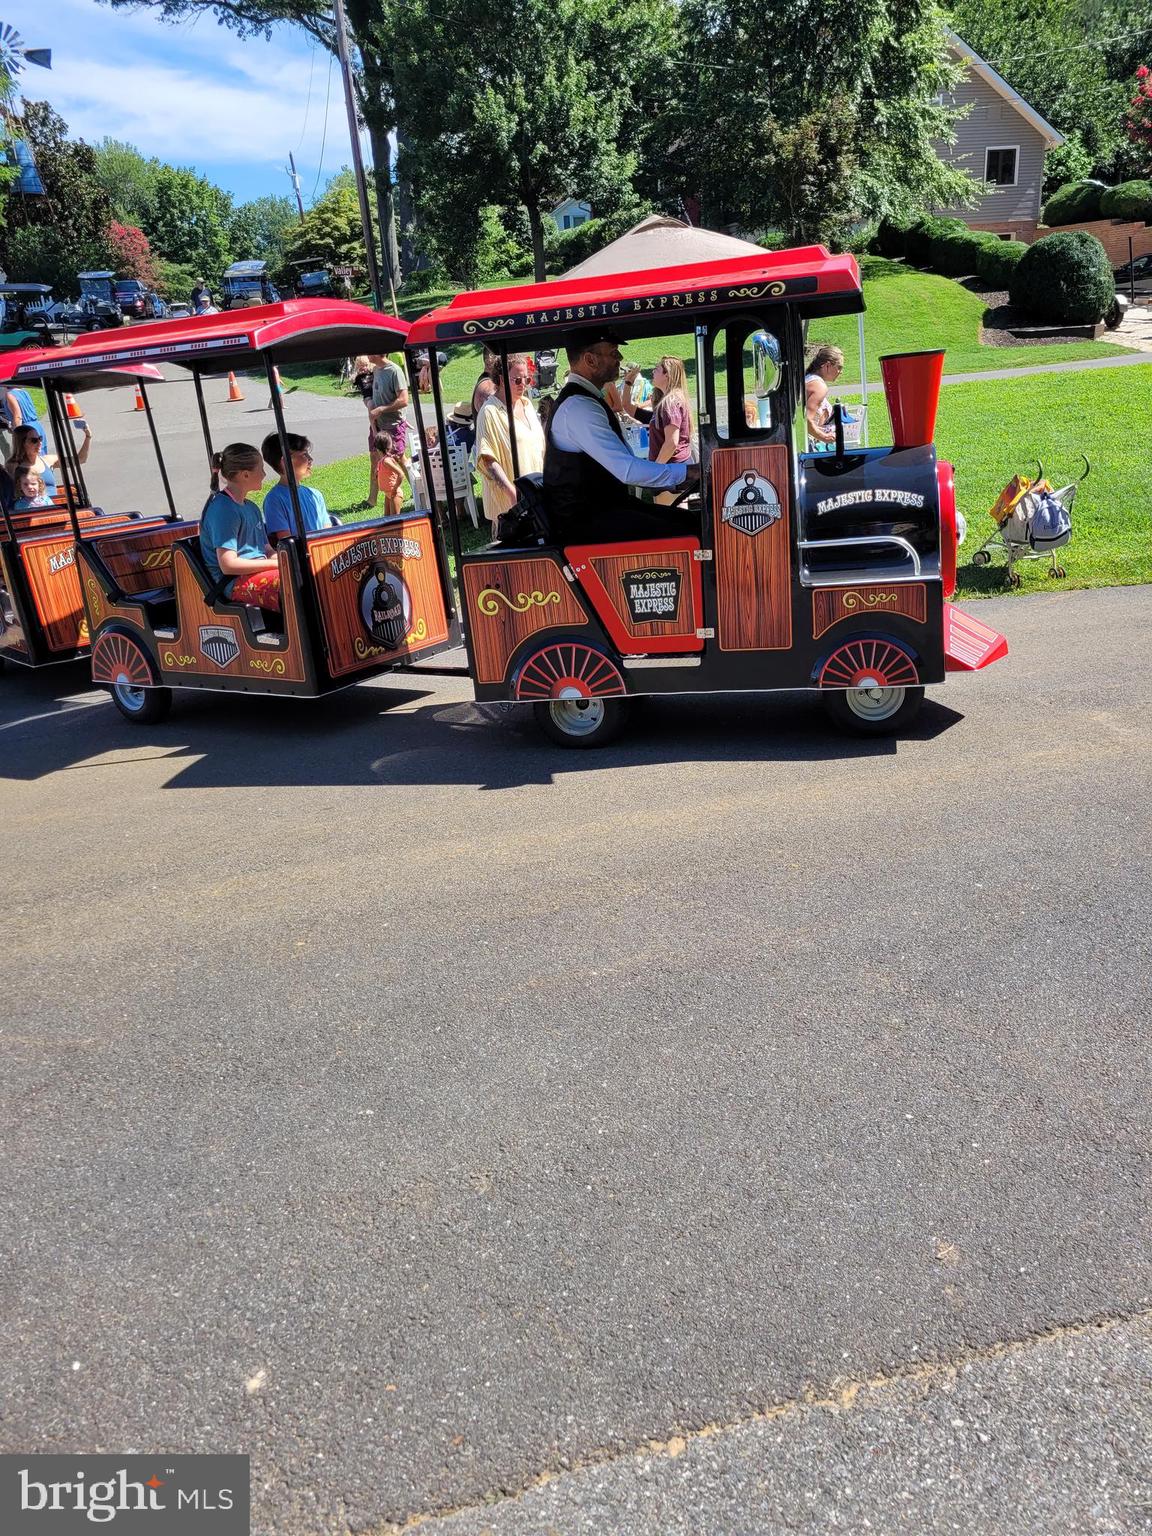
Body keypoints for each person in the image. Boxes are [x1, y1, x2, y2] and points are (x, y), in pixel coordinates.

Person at [543, 329, 699, 543]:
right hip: (587, 522)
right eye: (614, 353)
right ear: (590, 360)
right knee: (691, 532)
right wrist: (688, 472)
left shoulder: (586, 400)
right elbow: (627, 470)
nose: (620, 359)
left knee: (691, 521)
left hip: (603, 511)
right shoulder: (579, 406)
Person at [199, 442, 281, 610]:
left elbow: (265, 548)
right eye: (261, 469)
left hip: (258, 572)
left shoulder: (251, 507)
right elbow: (228, 565)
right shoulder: (223, 510)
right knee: (289, 585)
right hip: (233, 582)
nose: (265, 474)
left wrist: (278, 558)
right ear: (245, 475)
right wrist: (275, 564)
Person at [474, 352, 545, 530]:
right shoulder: (490, 411)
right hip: (511, 509)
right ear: (502, 379)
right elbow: (488, 461)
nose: (523, 385)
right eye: (517, 380)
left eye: (527, 380)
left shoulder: (527, 405)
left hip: (536, 500)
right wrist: (514, 496)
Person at [260, 432, 333, 537]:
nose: (310, 459)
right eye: (304, 454)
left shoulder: (315, 494)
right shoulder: (274, 499)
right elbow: (286, 540)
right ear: (285, 461)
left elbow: (328, 532)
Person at [646, 355, 694, 505]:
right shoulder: (674, 399)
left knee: (669, 520)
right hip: (677, 468)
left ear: (667, 374)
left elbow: (671, 443)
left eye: (657, 369)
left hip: (670, 471)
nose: (653, 372)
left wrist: (655, 471)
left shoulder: (670, 402)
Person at [6, 422, 93, 503]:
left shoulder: (48, 460)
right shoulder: (13, 466)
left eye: (40, 439)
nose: (40, 443)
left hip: (53, 508)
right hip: (30, 510)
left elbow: (80, 459)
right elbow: (11, 494)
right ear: (22, 443)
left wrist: (88, 437)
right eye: (34, 440)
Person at [366, 352, 409, 507]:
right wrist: (370, 404)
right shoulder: (376, 369)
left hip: (393, 425)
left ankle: (417, 489)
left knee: (398, 459)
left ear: (377, 353)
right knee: (374, 458)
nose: (366, 355)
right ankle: (372, 499)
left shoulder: (394, 371)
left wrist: (381, 409)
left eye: (369, 352)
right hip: (378, 424)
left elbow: (404, 400)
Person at [805, 344, 845, 448]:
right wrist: (824, 437)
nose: (840, 372)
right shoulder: (819, 386)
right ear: (827, 365)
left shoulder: (809, 378)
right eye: (839, 367)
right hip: (806, 444)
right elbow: (807, 419)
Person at [373, 429, 410, 518]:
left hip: (394, 494)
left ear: (377, 448)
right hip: (388, 493)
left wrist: (394, 488)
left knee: (394, 522)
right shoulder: (382, 461)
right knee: (387, 521)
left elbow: (401, 474)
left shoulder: (386, 461)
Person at [3, 387, 49, 454]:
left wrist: (17, 435)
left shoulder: (10, 395)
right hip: (37, 426)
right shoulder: (24, 391)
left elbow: (18, 416)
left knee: (30, 459)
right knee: (42, 457)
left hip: (26, 430)